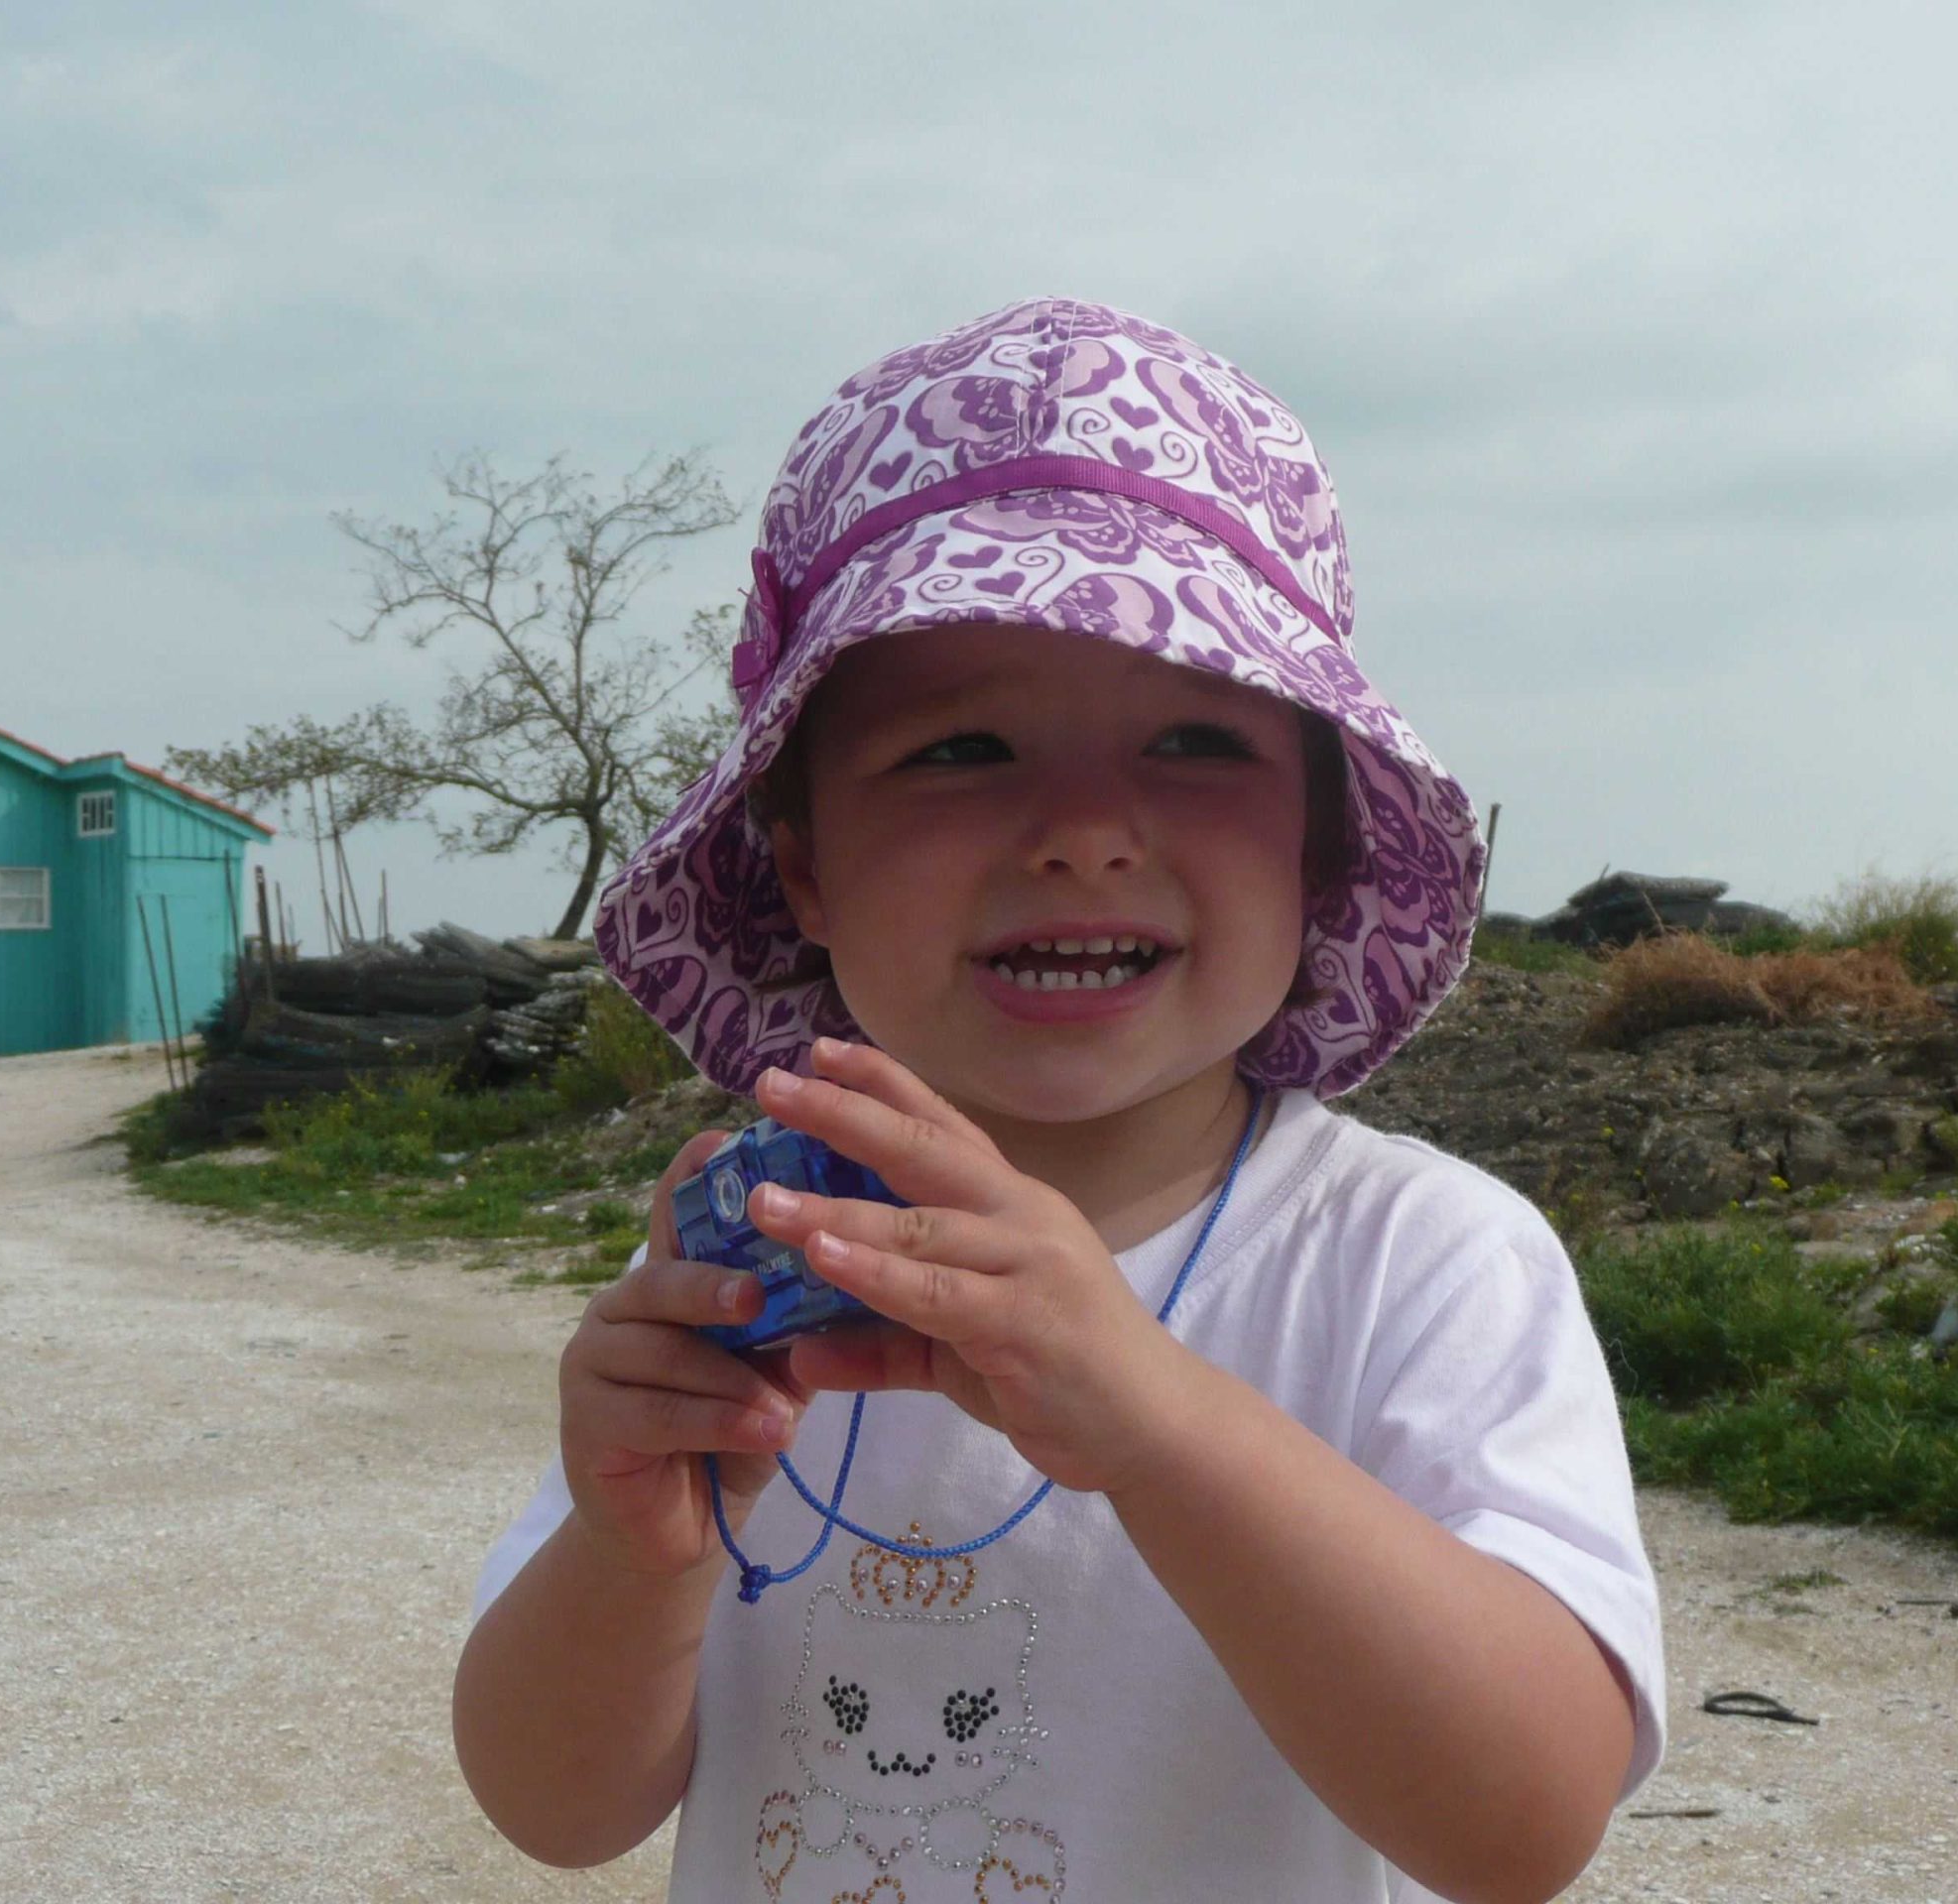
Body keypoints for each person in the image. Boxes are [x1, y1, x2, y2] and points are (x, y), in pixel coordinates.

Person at [452, 298, 1665, 1903]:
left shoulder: (1415, 1262)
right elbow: (553, 1809)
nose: (1086, 831)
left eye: (1196, 740)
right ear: (803, 869)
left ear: (1318, 848)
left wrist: (1153, 1417)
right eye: (962, 750)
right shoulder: (760, 1258)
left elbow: (1524, 1824)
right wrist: (631, 1553)